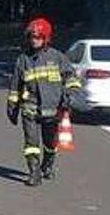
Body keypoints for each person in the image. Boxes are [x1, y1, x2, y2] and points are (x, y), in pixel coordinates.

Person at [6, 17, 84, 186]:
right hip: (30, 107)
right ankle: (34, 172)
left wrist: (71, 95)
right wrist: (12, 107)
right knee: (31, 143)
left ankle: (47, 165)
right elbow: (15, 86)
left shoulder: (58, 57)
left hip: (52, 108)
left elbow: (71, 78)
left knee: (50, 142)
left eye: (38, 37)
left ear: (46, 38)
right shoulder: (23, 59)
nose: (34, 40)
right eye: (31, 37)